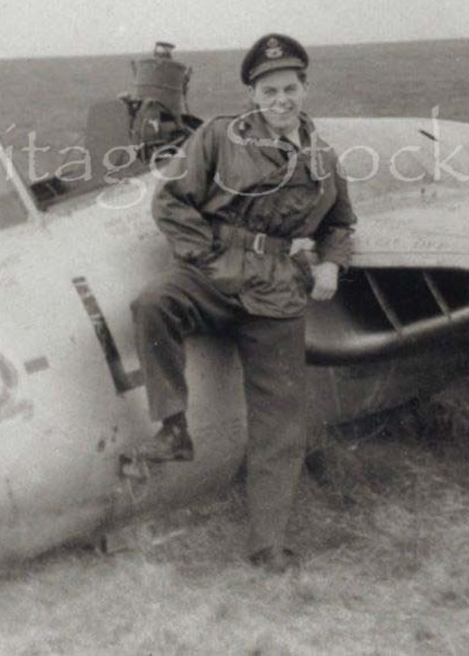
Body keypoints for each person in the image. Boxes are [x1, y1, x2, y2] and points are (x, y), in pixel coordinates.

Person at [130, 33, 357, 573]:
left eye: (290, 88)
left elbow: (341, 223)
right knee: (152, 305)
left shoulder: (322, 157)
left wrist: (330, 263)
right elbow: (171, 203)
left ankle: (267, 546)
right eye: (270, 90)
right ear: (253, 95)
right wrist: (210, 258)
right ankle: (173, 427)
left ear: (303, 90)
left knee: (280, 425)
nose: (281, 99)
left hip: (278, 290)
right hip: (213, 275)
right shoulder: (216, 137)